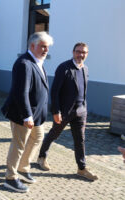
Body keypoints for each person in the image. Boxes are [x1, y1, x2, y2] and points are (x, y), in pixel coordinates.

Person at [37, 42, 98, 181]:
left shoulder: (85, 69)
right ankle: (42, 157)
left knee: (80, 140)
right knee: (54, 134)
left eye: (83, 52)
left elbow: (83, 91)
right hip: (64, 111)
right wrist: (56, 111)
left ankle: (81, 169)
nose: (80, 55)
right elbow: (55, 91)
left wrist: (84, 108)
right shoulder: (64, 68)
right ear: (73, 52)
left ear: (87, 54)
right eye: (78, 51)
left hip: (81, 111)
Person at [1, 31, 53, 193]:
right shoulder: (24, 63)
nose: (46, 50)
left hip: (36, 114)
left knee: (38, 137)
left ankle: (23, 167)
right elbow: (20, 92)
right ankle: (10, 177)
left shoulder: (37, 61)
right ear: (32, 46)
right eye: (42, 46)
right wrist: (27, 115)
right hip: (23, 114)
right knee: (19, 144)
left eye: (47, 47)